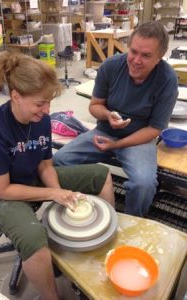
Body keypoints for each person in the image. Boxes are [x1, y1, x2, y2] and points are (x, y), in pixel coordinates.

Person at [0, 52, 114, 300]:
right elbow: (2, 190)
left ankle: (98, 248)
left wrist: (60, 193)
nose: (47, 110)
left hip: (30, 178)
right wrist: (51, 193)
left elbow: (46, 166)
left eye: (49, 102)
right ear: (16, 96)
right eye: (40, 103)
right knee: (34, 239)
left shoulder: (41, 120)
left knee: (101, 175)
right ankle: (52, 297)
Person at [53, 21, 178, 217]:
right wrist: (107, 115)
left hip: (139, 138)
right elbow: (95, 106)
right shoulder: (111, 66)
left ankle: (132, 221)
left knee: (143, 184)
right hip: (104, 132)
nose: (136, 60)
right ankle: (81, 207)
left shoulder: (167, 79)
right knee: (59, 161)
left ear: (160, 57)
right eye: (133, 51)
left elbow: (154, 130)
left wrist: (116, 145)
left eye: (146, 55)